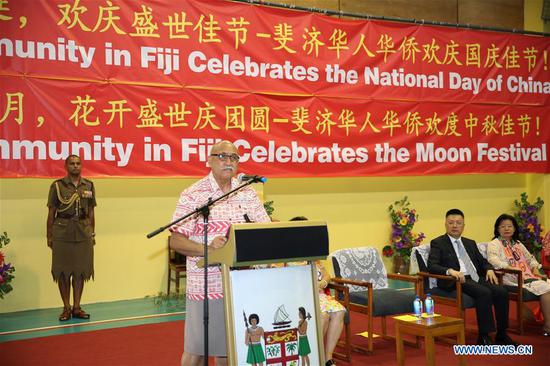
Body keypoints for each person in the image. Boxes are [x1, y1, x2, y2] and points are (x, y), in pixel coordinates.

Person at [169, 140, 270, 366]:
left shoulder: (247, 193)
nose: (229, 161)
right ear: (209, 161)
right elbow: (175, 240)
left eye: (234, 158)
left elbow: (265, 230)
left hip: (241, 284)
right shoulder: (194, 194)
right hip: (207, 286)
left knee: (229, 350)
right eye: (222, 156)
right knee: (198, 350)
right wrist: (208, 247)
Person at [427, 209, 516, 345]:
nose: (455, 226)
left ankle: (502, 334)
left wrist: (489, 269)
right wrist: (450, 271)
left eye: (458, 223)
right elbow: (432, 265)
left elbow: (482, 262)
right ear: (445, 224)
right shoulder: (438, 243)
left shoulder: (470, 242)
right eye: (451, 223)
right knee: (484, 292)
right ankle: (484, 335)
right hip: (457, 279)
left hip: (475, 277)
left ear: (464, 225)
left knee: (502, 291)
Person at [290, 216, 345, 366]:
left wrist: (324, 282)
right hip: (302, 296)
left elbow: (326, 274)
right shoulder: (289, 256)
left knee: (340, 311)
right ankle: (316, 356)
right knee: (324, 316)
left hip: (320, 295)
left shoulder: (313, 254)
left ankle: (327, 357)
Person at [46, 155, 96, 321]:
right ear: (66, 166)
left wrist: (93, 232)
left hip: (83, 231)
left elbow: (91, 212)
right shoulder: (57, 186)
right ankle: (66, 308)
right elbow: (51, 212)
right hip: (62, 232)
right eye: (72, 164)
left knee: (80, 271)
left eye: (78, 163)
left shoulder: (88, 185)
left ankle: (76, 307)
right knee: (63, 271)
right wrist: (49, 235)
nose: (76, 166)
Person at [487, 214, 550, 336]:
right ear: (497, 229)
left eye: (509, 226)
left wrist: (535, 268)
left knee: (545, 285)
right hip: (510, 278)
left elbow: (530, 259)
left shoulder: (518, 244)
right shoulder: (494, 244)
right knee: (546, 289)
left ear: (514, 228)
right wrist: (510, 267)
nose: (506, 229)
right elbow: (493, 261)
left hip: (528, 276)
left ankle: (539, 317)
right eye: (503, 226)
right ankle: (548, 326)